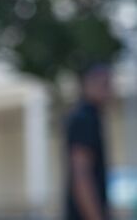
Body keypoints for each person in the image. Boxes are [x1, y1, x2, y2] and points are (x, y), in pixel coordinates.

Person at [65, 63, 112, 220]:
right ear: (87, 84)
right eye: (104, 84)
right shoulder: (84, 118)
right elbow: (82, 175)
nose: (109, 90)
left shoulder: (91, 117)